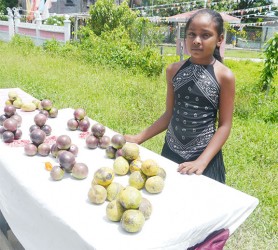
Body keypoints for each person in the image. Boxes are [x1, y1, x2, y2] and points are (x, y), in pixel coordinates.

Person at [124, 9, 235, 184]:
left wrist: (202, 161)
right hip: (171, 151)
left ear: (220, 39)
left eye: (205, 35)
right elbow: (169, 114)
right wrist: (138, 138)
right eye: (192, 34)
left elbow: (225, 125)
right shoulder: (173, 70)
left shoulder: (224, 76)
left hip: (205, 158)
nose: (197, 40)